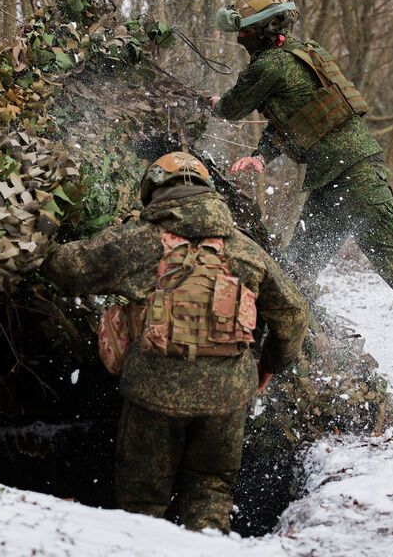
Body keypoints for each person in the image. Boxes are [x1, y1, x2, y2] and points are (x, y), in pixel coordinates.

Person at [210, 0, 393, 415]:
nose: (239, 38)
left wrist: (210, 103)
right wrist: (261, 155)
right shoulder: (304, 54)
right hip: (340, 179)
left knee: (390, 273)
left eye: (244, 31)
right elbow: (295, 120)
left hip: (355, 181)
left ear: (264, 30)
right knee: (297, 275)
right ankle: (313, 358)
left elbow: (230, 108)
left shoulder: (270, 66)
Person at [41, 151, 309, 533]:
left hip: (153, 394)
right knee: (210, 492)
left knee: (142, 501)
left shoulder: (137, 242)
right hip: (226, 397)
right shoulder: (244, 250)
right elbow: (295, 313)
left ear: (153, 190)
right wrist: (268, 366)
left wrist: (39, 235)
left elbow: (67, 268)